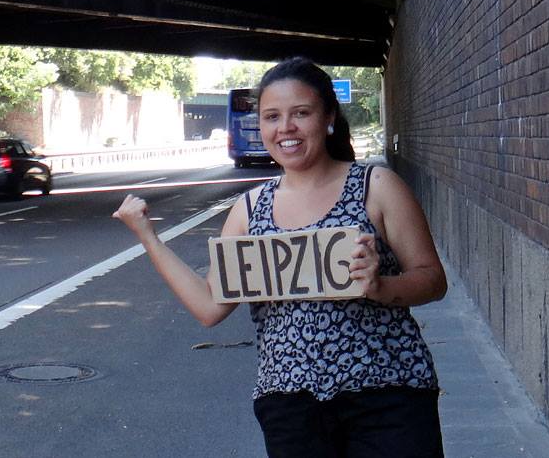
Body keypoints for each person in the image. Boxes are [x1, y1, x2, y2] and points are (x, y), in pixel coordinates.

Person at [112, 57, 447, 457]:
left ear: (328, 118)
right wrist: (148, 237)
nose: (285, 128)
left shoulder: (376, 186)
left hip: (388, 395)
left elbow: (432, 279)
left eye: (300, 113)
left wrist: (380, 286)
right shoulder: (250, 210)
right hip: (290, 406)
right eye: (271, 117)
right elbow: (209, 307)